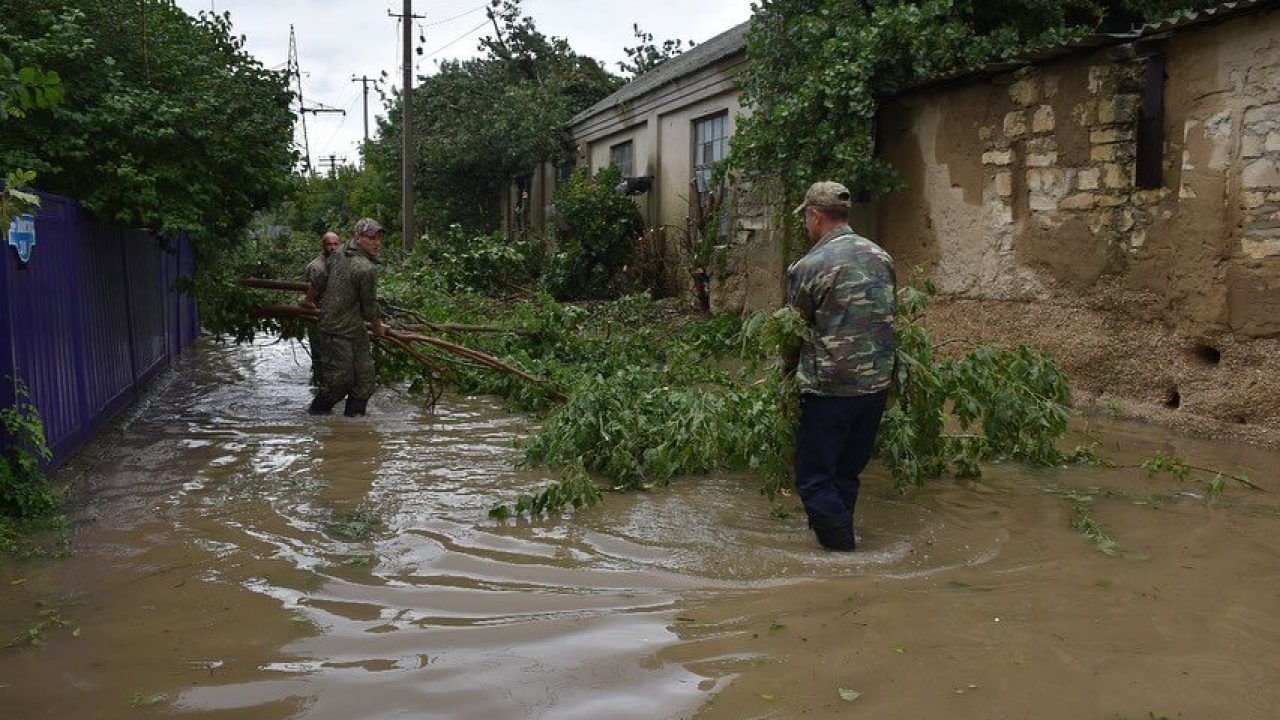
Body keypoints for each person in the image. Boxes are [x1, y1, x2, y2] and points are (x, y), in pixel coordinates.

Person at [783, 181, 897, 551]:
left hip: (830, 388)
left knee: (814, 478)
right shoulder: (881, 256)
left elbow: (794, 329)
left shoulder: (810, 265)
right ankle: (836, 539)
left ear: (815, 217)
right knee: (847, 472)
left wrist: (786, 374)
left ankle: (844, 557)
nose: (806, 225)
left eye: (806, 218)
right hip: (876, 386)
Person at [307, 218, 387, 417]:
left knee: (366, 383)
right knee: (339, 385)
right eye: (371, 238)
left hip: (356, 329)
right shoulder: (364, 268)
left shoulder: (338, 253)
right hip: (335, 330)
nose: (376, 242)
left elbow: (320, 281)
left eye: (378, 238)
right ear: (358, 238)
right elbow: (369, 306)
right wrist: (378, 327)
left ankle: (354, 429)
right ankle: (315, 418)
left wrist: (307, 299)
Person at [301, 232, 341, 384]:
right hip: (318, 316)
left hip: (338, 316)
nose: (332, 247)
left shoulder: (342, 262)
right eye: (329, 244)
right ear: (323, 246)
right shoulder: (316, 267)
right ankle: (321, 383)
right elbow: (309, 295)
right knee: (319, 353)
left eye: (335, 244)